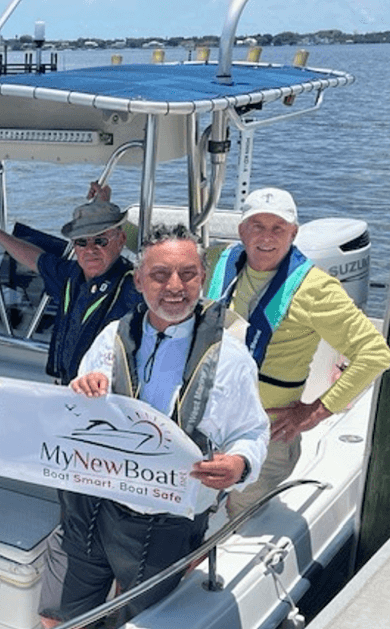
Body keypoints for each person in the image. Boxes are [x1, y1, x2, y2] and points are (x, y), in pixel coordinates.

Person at [39, 224, 269, 626]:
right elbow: (74, 417)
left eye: (188, 274)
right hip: (90, 506)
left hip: (166, 520)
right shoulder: (111, 337)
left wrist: (239, 465)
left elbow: (251, 432)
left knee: (138, 621)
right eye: (161, 275)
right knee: (59, 618)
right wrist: (82, 390)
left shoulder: (231, 357)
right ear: (139, 280)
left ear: (203, 277)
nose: (175, 286)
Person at [205, 187, 390, 515]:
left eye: (278, 228)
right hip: (209, 423)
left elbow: (375, 353)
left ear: (294, 233)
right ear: (241, 230)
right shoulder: (218, 262)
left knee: (234, 521)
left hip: (267, 434)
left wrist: (316, 412)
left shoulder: (316, 290)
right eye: (257, 226)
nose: (267, 237)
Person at [0, 182, 142, 384]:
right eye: (81, 242)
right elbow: (34, 258)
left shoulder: (135, 287)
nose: (90, 249)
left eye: (100, 241)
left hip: (107, 392)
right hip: (67, 387)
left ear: (121, 239)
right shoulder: (70, 275)